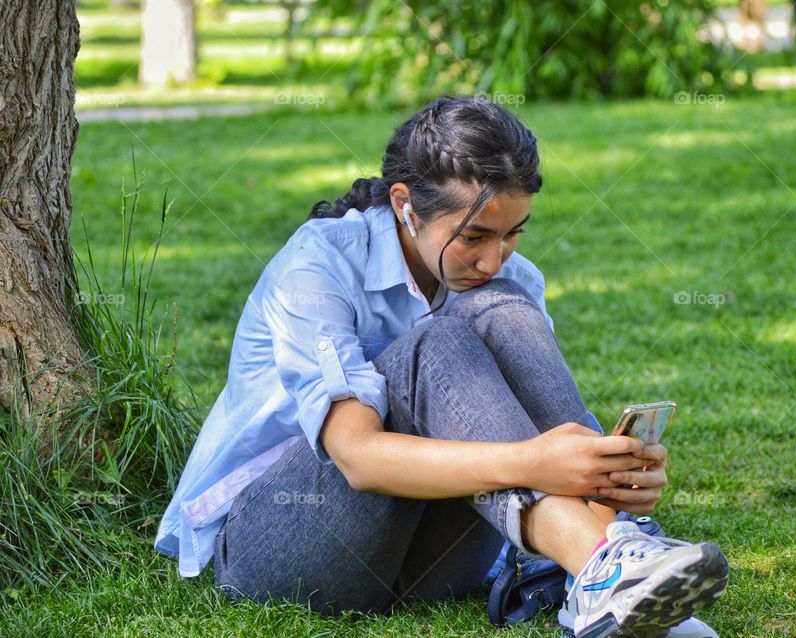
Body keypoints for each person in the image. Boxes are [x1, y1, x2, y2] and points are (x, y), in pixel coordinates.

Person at [154, 95, 728, 637]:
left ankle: (610, 558)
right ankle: (603, 560)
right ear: (405, 205)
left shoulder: (508, 279)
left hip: (430, 564)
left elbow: (518, 422)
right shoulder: (317, 264)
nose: (493, 257)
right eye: (474, 236)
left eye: (511, 235)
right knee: (438, 342)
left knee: (504, 304)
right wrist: (535, 461)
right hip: (281, 546)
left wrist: (609, 478)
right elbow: (356, 458)